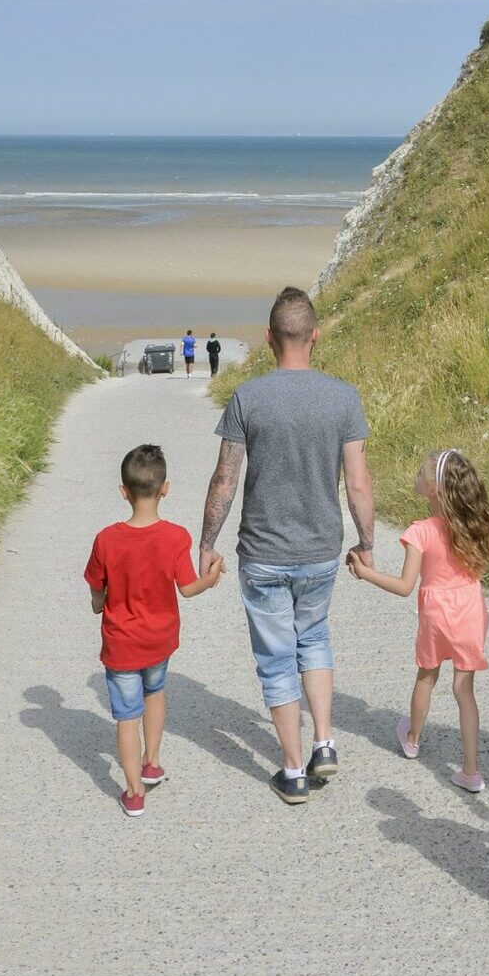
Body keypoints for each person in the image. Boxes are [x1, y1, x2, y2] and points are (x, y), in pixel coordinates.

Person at [198, 286, 374, 805]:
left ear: (269, 338)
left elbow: (225, 479)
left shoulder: (248, 397)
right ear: (315, 336)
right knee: (314, 637)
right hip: (320, 549)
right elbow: (359, 484)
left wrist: (206, 541)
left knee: (276, 659)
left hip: (264, 554)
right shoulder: (344, 397)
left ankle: (294, 771)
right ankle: (324, 742)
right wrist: (366, 541)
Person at [84, 443, 222, 818]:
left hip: (121, 644)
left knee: (127, 716)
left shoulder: (106, 539)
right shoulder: (176, 537)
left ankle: (133, 793)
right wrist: (210, 578)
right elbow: (188, 588)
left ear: (123, 492)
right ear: (165, 489)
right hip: (160, 640)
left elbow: (97, 586)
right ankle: (153, 761)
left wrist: (98, 603)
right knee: (156, 692)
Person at [349, 447, 489, 792]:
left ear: (434, 489)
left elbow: (404, 586)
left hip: (436, 613)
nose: (415, 476)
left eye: (421, 473)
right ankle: (471, 770)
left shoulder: (421, 531)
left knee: (426, 677)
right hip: (471, 610)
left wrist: (365, 572)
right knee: (465, 690)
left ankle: (413, 737)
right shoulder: (474, 525)